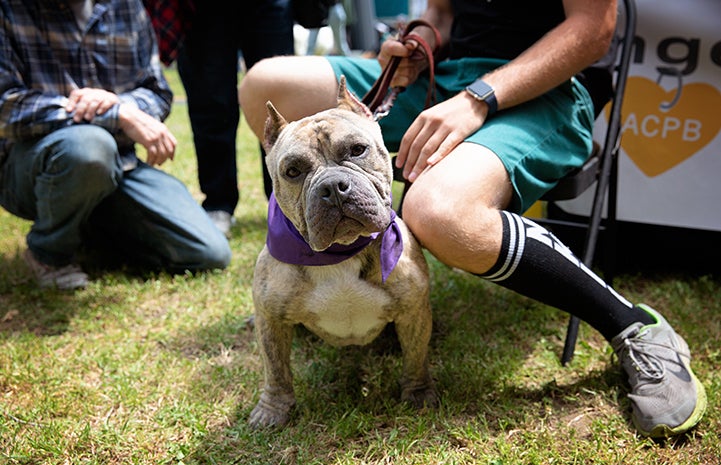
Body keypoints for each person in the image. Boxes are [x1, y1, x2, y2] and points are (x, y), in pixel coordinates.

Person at [238, 0, 706, 438]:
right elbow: (441, 12)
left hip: (542, 91)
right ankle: (315, 273)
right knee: (266, 81)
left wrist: (478, 99)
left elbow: (592, 30)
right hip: (447, 79)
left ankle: (632, 326)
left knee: (436, 211)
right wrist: (420, 39)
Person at [0, 0, 232, 290]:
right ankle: (49, 253)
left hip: (122, 165)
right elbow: (6, 105)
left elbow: (157, 91)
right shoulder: (9, 9)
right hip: (30, 165)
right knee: (89, 148)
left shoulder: (127, 6)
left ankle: (87, 228)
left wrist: (123, 105)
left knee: (210, 252)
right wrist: (116, 114)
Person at [144, 0, 295, 237]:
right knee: (210, 100)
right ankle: (218, 203)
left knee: (279, 98)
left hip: (268, 5)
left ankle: (286, 202)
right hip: (203, 7)